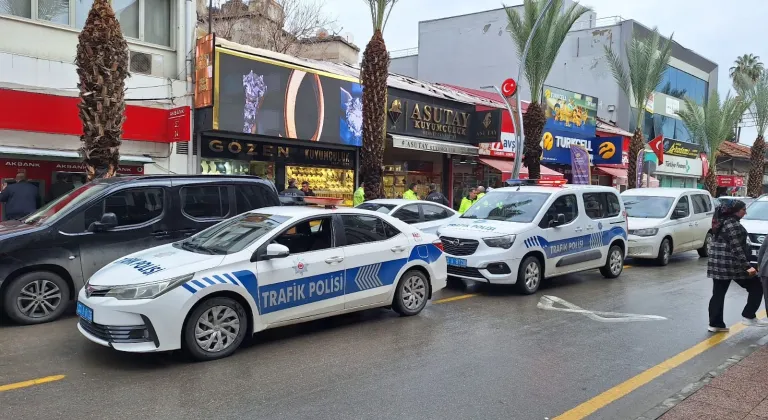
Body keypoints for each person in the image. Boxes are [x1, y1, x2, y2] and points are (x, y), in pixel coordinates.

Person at [707, 199, 766, 333]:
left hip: (717, 264)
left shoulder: (719, 222)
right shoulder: (732, 224)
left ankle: (715, 324)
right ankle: (748, 316)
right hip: (731, 265)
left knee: (718, 293)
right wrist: (747, 266)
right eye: (743, 210)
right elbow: (736, 248)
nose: (746, 212)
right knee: (757, 286)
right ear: (735, 211)